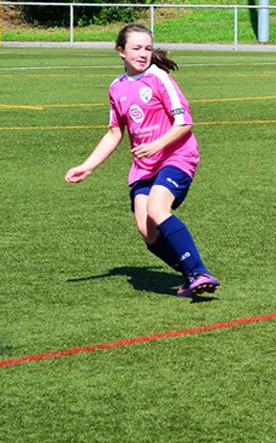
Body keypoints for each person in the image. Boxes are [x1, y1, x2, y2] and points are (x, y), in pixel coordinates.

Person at [65, 23, 219, 297]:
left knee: (157, 209)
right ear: (121, 52)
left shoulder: (159, 78)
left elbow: (184, 123)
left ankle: (199, 271)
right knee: (147, 230)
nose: (143, 53)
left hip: (176, 156)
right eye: (136, 48)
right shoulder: (117, 87)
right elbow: (114, 133)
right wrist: (87, 166)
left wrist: (156, 145)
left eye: (147, 48)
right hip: (145, 167)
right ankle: (190, 274)